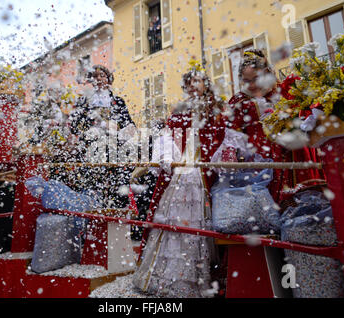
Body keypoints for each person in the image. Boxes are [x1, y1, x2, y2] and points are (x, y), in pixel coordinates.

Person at [132, 62, 226, 297]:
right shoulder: (179, 109)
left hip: (202, 171)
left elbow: (221, 138)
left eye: (198, 81)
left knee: (198, 222)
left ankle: (197, 278)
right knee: (174, 219)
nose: (194, 85)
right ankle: (167, 277)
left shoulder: (215, 109)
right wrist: (168, 156)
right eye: (190, 82)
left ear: (206, 84)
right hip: (182, 172)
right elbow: (167, 136)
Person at [226, 49, 324, 202]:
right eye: (247, 81)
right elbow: (231, 134)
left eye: (256, 79)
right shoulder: (239, 101)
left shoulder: (287, 91)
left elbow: (307, 119)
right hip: (260, 162)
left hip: (295, 156)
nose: (252, 85)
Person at [69, 64, 137, 209]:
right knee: (92, 188)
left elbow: (128, 124)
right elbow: (74, 126)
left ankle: (117, 215)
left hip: (114, 151)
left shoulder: (118, 102)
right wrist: (91, 128)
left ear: (109, 79)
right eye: (95, 76)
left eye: (102, 76)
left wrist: (117, 128)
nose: (99, 79)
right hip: (91, 150)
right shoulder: (84, 101)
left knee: (117, 188)